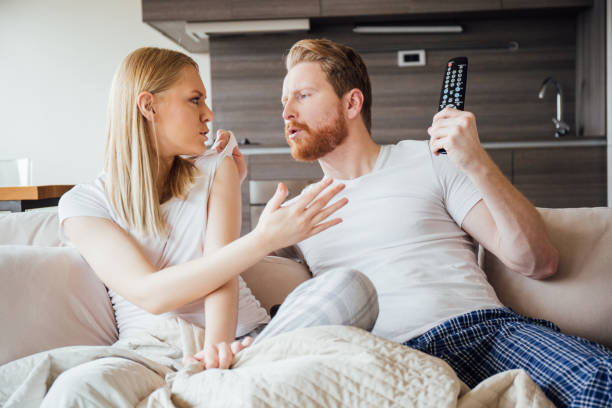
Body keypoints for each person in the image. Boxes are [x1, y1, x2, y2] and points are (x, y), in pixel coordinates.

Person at [276, 38, 612, 408]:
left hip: (482, 332)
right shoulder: (294, 216)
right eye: (284, 101)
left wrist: (475, 160)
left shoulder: (429, 159)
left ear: (352, 102)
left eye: (303, 96)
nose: (287, 112)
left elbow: (538, 261)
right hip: (387, 362)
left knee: (600, 381)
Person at [42, 47, 379, 406]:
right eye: (195, 100)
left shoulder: (216, 169)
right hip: (148, 352)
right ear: (148, 106)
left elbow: (222, 278)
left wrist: (216, 353)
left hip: (245, 342)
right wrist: (265, 239)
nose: (209, 114)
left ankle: (205, 388)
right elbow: (150, 293)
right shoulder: (83, 204)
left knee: (351, 289)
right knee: (75, 390)